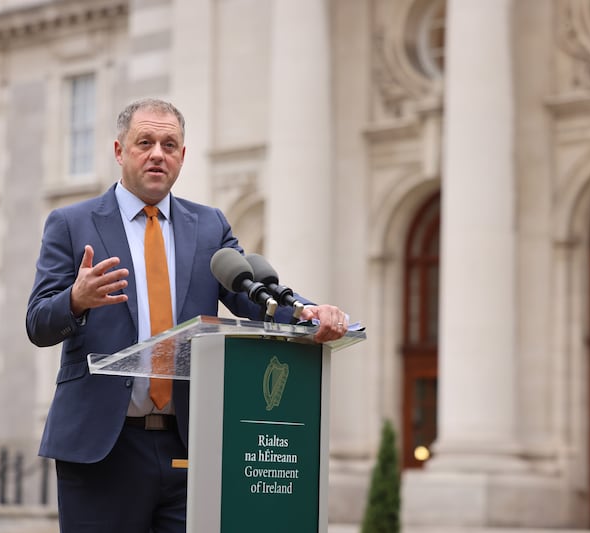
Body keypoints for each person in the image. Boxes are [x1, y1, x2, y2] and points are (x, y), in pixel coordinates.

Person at [26, 97, 349, 533]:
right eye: (145, 142)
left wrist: (307, 313)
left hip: (190, 446)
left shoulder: (209, 225)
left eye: (169, 144)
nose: (158, 153)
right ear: (120, 151)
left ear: (182, 156)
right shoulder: (72, 223)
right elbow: (38, 323)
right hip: (103, 448)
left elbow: (252, 296)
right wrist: (76, 299)